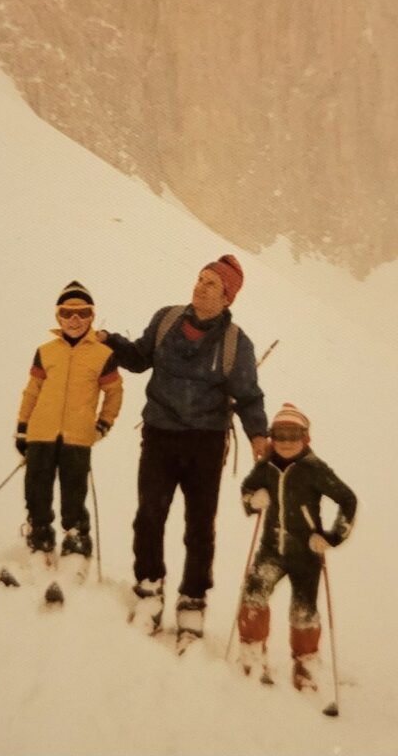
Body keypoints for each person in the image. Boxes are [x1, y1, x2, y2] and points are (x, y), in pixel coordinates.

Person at [97, 255, 269, 650]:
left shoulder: (234, 344)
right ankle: (149, 587)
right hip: (160, 435)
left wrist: (258, 435)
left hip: (206, 444)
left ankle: (193, 599)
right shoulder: (167, 319)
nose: (200, 287)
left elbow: (248, 396)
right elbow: (141, 358)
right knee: (149, 516)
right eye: (200, 278)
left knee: (199, 527)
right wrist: (111, 343)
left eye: (211, 284)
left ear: (228, 298)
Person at [238, 402, 357, 690]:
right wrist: (253, 500)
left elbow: (347, 500)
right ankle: (252, 651)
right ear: (271, 437)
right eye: (279, 435)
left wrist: (331, 537)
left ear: (306, 438)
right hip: (271, 550)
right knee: (254, 595)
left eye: (294, 436)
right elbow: (247, 488)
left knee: (304, 609)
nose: (286, 443)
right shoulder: (266, 465)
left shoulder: (314, 468)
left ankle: (306, 663)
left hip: (306, 553)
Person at [14, 280, 123, 563]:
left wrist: (103, 425)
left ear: (92, 316)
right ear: (57, 316)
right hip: (41, 433)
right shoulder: (46, 351)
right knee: (36, 487)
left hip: (78, 436)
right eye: (67, 313)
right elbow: (32, 390)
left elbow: (114, 393)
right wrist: (23, 428)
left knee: (73, 490)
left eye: (83, 313)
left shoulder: (103, 355)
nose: (75, 320)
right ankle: (39, 532)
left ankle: (76, 536)